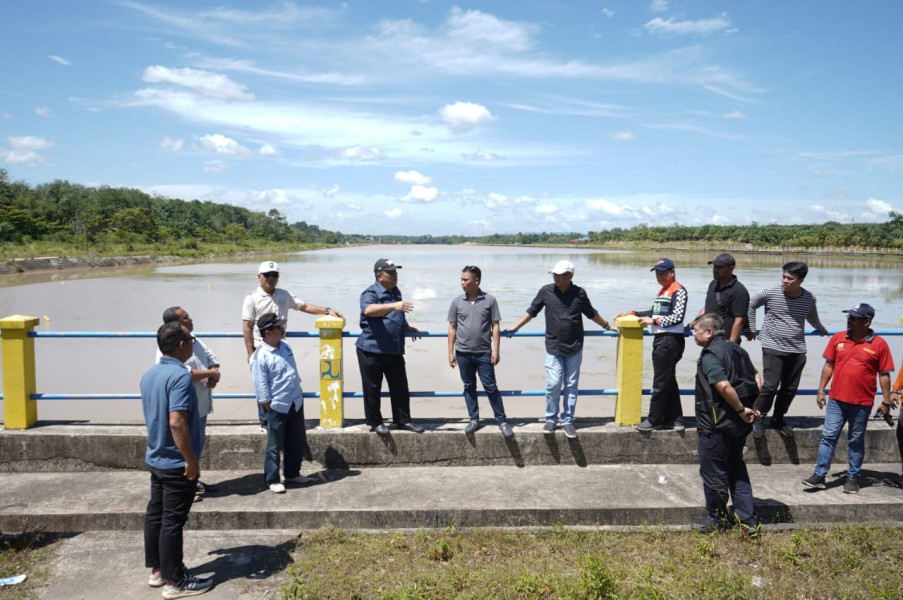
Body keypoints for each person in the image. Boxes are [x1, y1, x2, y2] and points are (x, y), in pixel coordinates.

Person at [142, 322, 213, 598]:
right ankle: (176, 582)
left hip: (156, 457)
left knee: (156, 515)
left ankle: (158, 571)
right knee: (172, 521)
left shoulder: (149, 375)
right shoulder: (181, 377)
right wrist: (191, 460)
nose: (193, 344)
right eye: (191, 341)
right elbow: (177, 423)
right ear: (181, 346)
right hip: (175, 462)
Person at [504, 260, 612, 439]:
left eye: (559, 274)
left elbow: (591, 313)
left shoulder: (579, 293)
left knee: (571, 385)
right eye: (554, 274)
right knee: (553, 384)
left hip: (575, 347)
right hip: (553, 346)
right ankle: (551, 418)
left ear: (570, 276)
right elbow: (532, 310)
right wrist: (516, 327)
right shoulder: (546, 291)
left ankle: (568, 420)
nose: (555, 277)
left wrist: (608, 326)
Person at [242, 260, 344, 431]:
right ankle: (266, 423)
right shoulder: (252, 298)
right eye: (267, 275)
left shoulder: (284, 295)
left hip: (281, 347)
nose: (271, 278)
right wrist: (249, 352)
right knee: (264, 385)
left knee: (286, 382)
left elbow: (304, 306)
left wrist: (326, 310)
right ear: (259, 277)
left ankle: (286, 418)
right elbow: (247, 326)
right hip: (261, 349)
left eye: (275, 275)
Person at [802, 304, 894, 494]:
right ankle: (819, 475)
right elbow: (829, 365)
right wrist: (821, 390)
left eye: (854, 318)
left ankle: (853, 477)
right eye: (849, 317)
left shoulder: (879, 344)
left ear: (867, 322)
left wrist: (885, 401)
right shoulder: (838, 338)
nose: (849, 320)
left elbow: (884, 375)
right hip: (836, 399)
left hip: (862, 403)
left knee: (855, 440)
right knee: (828, 436)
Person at [690, 313, 761, 537]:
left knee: (713, 473)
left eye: (696, 330)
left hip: (716, 425)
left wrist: (740, 409)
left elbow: (723, 386)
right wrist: (752, 406)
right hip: (738, 427)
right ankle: (748, 522)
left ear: (709, 332)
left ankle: (717, 517)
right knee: (736, 469)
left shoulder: (711, 354)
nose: (693, 334)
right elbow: (758, 377)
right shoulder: (737, 348)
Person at [747, 261, 829, 438]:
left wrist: (822, 329)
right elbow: (751, 304)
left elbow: (812, 318)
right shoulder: (770, 292)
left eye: (790, 278)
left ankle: (778, 419)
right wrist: (752, 328)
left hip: (797, 349)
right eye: (783, 276)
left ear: (801, 280)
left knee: (790, 388)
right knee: (770, 386)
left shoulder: (808, 298)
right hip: (772, 346)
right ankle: (759, 417)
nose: (785, 281)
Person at [616, 258, 688, 432]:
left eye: (663, 273)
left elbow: (677, 317)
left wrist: (653, 320)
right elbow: (653, 312)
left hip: (670, 340)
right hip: (662, 340)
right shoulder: (663, 291)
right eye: (657, 273)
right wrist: (634, 313)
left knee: (660, 382)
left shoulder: (679, 291)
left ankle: (654, 420)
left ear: (672, 272)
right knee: (668, 380)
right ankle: (675, 419)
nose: (660, 276)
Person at [158, 306, 221, 502]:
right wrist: (210, 374)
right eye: (186, 318)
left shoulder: (194, 339)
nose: (190, 320)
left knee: (197, 445)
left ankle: (194, 481)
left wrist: (213, 370)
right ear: (173, 324)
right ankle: (187, 489)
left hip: (201, 406)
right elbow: (181, 373)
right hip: (184, 408)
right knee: (184, 447)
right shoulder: (168, 348)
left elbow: (211, 356)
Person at [356, 258, 424, 435]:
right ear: (379, 276)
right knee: (372, 388)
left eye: (395, 272)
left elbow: (397, 314)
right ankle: (376, 423)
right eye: (391, 272)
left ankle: (403, 421)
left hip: (393, 349)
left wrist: (406, 327)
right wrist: (394, 306)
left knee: (400, 386)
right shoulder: (370, 293)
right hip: (371, 349)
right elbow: (368, 310)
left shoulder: (396, 292)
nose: (395, 276)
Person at [250, 312, 313, 494]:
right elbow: (261, 386)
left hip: (295, 401)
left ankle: (292, 473)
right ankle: (272, 478)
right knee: (274, 445)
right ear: (268, 332)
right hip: (277, 405)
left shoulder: (285, 345)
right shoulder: (260, 356)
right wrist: (269, 406)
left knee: (297, 440)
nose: (283, 330)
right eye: (279, 327)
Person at [448, 265, 513, 439]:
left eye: (465, 279)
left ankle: (502, 421)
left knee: (491, 387)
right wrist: (450, 352)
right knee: (469, 386)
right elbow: (452, 327)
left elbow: (495, 325)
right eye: (461, 279)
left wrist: (496, 350)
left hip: (484, 352)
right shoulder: (456, 302)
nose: (462, 282)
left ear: (476, 281)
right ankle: (474, 420)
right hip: (462, 352)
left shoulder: (490, 300)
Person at [689, 253, 749, 344]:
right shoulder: (713, 284)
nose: (715, 270)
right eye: (714, 267)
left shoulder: (739, 291)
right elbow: (707, 306)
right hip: (708, 339)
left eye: (720, 267)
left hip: (724, 341)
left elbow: (739, 321)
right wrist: (694, 323)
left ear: (731, 268)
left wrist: (730, 345)